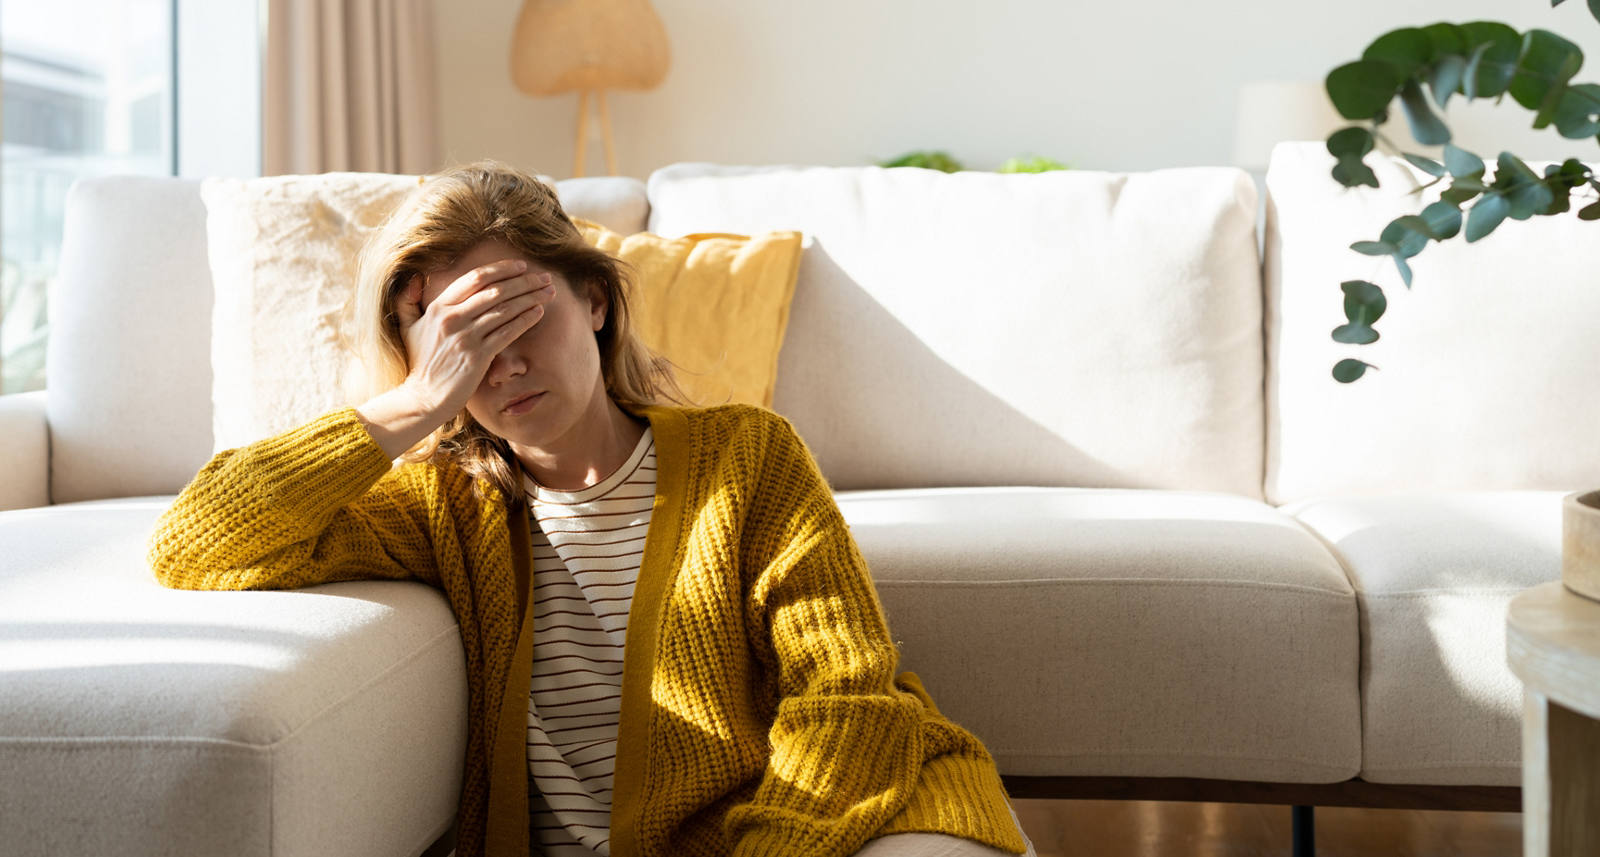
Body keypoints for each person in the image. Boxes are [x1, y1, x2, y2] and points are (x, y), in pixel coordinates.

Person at [148, 160, 1037, 857]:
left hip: (839, 816)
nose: (503, 363)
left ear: (596, 299)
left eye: (518, 315)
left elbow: (845, 691)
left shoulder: (747, 455)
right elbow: (196, 542)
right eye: (465, 340)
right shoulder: (439, 505)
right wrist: (415, 401)